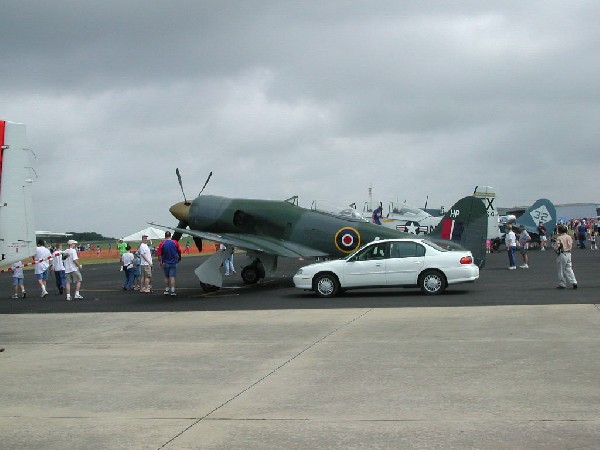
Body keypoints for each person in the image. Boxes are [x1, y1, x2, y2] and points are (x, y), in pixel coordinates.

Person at [157, 231, 182, 296]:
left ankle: (167, 289)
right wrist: (179, 258)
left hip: (165, 262)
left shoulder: (162, 243)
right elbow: (179, 251)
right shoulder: (175, 242)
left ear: (165, 236)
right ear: (170, 236)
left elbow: (159, 254)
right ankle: (173, 290)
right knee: (172, 277)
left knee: (166, 276)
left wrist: (160, 262)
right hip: (173, 262)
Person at [553, 225, 577, 289]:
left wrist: (555, 249)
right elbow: (571, 244)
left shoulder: (559, 238)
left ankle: (562, 283)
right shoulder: (569, 237)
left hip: (562, 253)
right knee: (569, 268)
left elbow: (557, 246)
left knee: (561, 269)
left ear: (559, 230)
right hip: (569, 253)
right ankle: (574, 281)